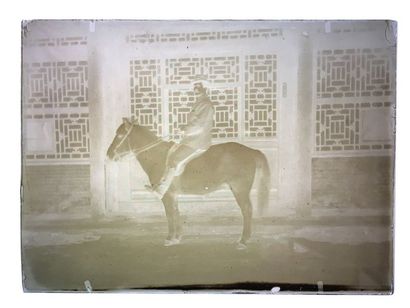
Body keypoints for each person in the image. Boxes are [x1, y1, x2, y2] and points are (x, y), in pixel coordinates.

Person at [148, 77, 215, 198]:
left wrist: (185, 129)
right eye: (195, 87)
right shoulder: (199, 102)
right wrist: (184, 129)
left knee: (175, 159)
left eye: (199, 87)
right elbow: (194, 122)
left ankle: (161, 190)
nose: (196, 89)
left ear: (205, 89)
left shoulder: (205, 104)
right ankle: (163, 184)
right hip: (192, 139)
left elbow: (200, 125)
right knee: (171, 152)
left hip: (198, 141)